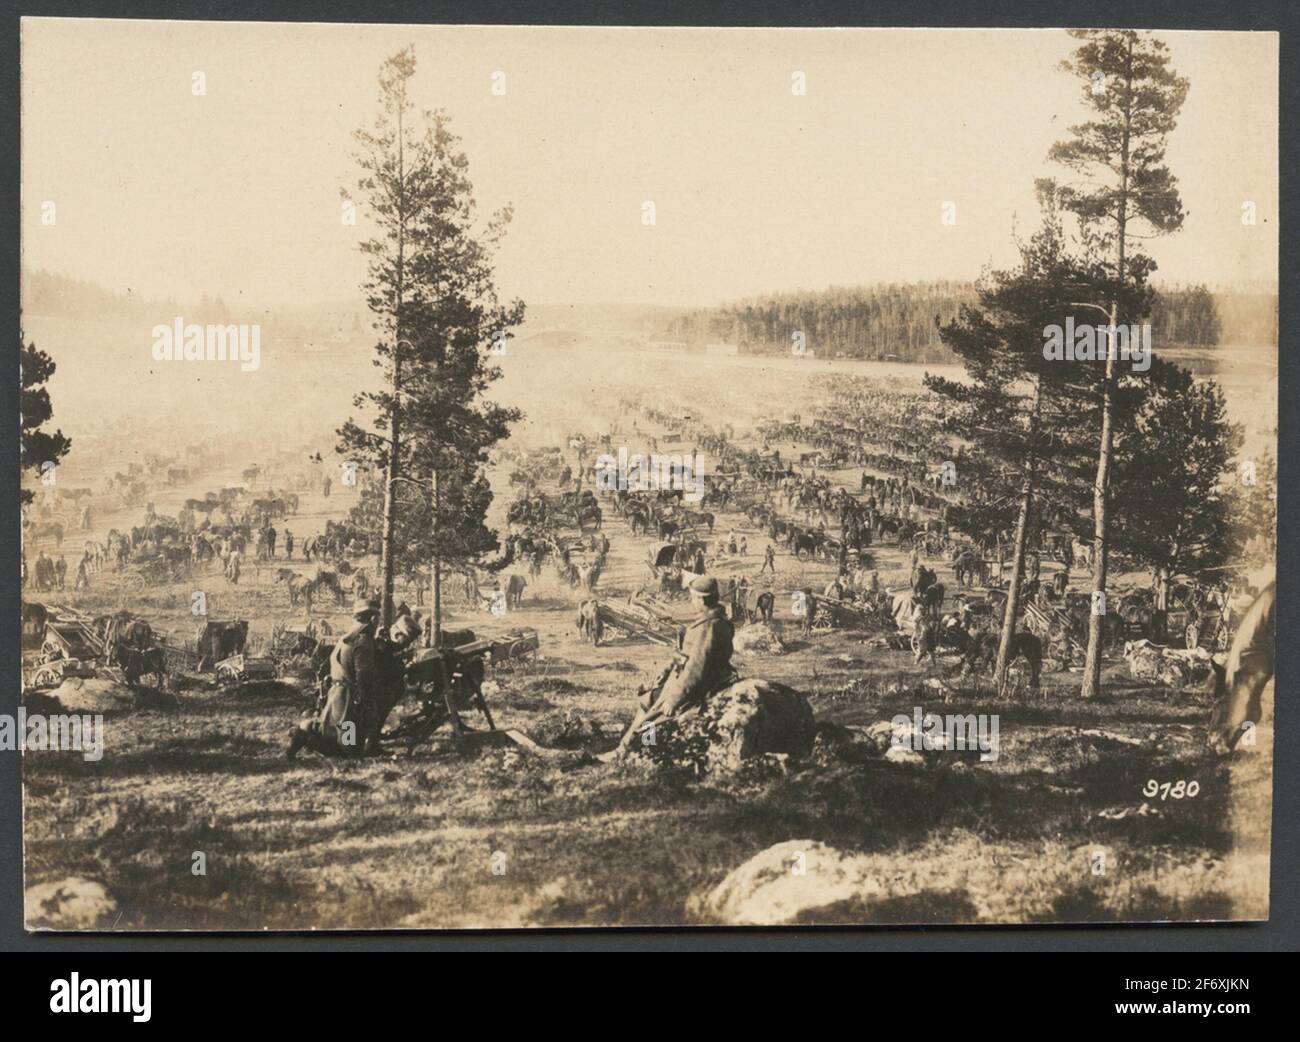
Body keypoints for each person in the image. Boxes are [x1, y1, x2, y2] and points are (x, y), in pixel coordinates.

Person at [599, 576, 735, 761]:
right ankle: (628, 748)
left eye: (693, 598)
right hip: (700, 677)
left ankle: (642, 751)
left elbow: (696, 668)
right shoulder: (716, 621)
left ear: (702, 600)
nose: (691, 601)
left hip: (700, 685)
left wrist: (674, 699)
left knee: (651, 717)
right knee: (649, 698)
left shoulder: (708, 627)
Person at [287, 597, 380, 760]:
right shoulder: (363, 642)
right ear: (373, 619)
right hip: (349, 700)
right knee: (350, 751)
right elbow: (363, 676)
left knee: (332, 733)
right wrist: (365, 701)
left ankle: (305, 732)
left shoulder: (346, 638)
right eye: (377, 619)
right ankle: (303, 736)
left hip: (336, 693)